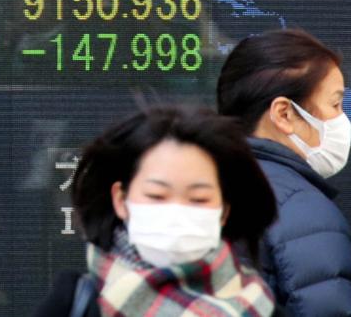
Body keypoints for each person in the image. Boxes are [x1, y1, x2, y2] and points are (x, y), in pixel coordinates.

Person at [34, 107, 278, 317]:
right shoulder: (75, 303)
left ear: (224, 211)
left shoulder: (260, 306)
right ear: (121, 199)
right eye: (156, 196)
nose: (176, 212)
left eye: (198, 199)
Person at [217, 29, 351, 316]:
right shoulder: (300, 207)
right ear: (284, 114)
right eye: (335, 104)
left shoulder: (200, 186)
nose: (343, 119)